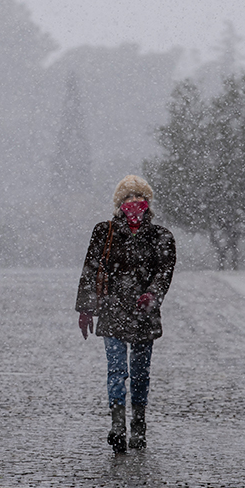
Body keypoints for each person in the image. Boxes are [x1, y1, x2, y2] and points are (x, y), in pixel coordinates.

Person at [75, 175, 176, 453]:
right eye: (128, 198)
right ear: (119, 203)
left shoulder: (161, 236)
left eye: (138, 197)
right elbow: (91, 270)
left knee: (141, 373)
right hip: (112, 312)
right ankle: (118, 426)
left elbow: (164, 272)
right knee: (117, 371)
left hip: (144, 315)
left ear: (148, 202)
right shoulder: (103, 232)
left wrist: (152, 295)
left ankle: (139, 427)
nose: (133, 202)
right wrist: (86, 308)